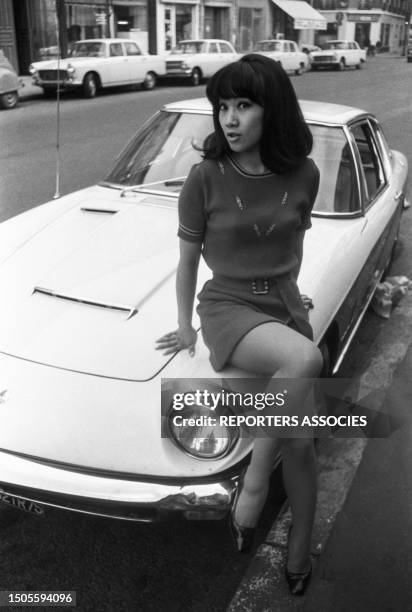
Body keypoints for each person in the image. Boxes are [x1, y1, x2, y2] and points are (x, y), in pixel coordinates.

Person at [156, 54, 323, 596]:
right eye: (222, 106)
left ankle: (299, 550)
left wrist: (293, 300)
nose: (228, 118)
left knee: (300, 443)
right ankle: (251, 490)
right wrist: (184, 326)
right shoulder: (204, 178)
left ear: (271, 111)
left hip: (282, 309)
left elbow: (291, 247)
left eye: (243, 105)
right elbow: (185, 263)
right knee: (304, 359)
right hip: (227, 309)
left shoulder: (305, 173)